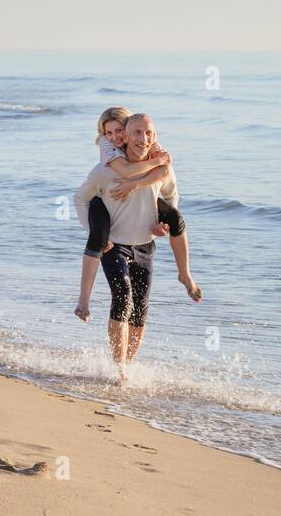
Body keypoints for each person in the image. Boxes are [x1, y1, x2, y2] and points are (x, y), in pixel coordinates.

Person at [74, 107, 202, 324]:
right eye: (108, 133)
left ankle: (185, 273)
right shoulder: (108, 150)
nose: (114, 137)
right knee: (98, 238)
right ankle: (83, 300)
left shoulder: (146, 142)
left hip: (142, 233)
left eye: (119, 131)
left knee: (176, 218)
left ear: (128, 129)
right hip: (101, 201)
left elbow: (166, 179)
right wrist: (153, 167)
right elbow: (125, 171)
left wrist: (160, 222)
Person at [73, 114, 172, 385]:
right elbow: (80, 198)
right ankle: (119, 371)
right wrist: (93, 232)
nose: (142, 138)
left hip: (145, 247)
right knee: (122, 296)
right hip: (114, 246)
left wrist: (163, 224)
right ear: (126, 136)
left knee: (140, 309)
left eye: (147, 133)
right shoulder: (104, 170)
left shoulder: (159, 169)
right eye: (135, 133)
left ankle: (128, 364)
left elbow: (171, 195)